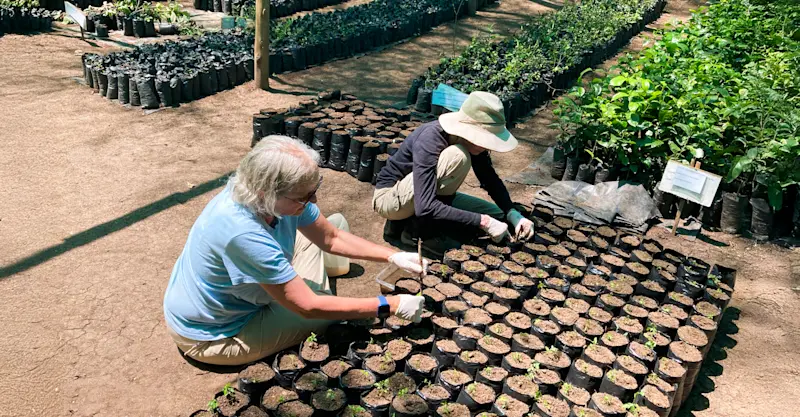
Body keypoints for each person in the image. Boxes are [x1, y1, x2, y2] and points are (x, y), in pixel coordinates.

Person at [163, 136, 426, 366]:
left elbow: (330, 237)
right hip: (216, 334)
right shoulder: (242, 233)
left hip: (230, 293)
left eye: (314, 190)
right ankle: (312, 285)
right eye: (304, 197)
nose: (313, 201)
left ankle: (308, 280)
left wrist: (392, 256)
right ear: (265, 193)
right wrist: (389, 305)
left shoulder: (266, 195)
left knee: (330, 225)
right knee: (325, 312)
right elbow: (309, 307)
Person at [373, 91, 535, 257]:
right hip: (390, 198)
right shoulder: (431, 139)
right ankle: (416, 231)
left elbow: (489, 178)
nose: (486, 146)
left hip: (425, 196)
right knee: (458, 156)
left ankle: (432, 222)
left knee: (498, 215)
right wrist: (483, 222)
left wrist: (512, 213)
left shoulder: (471, 142)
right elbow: (425, 207)